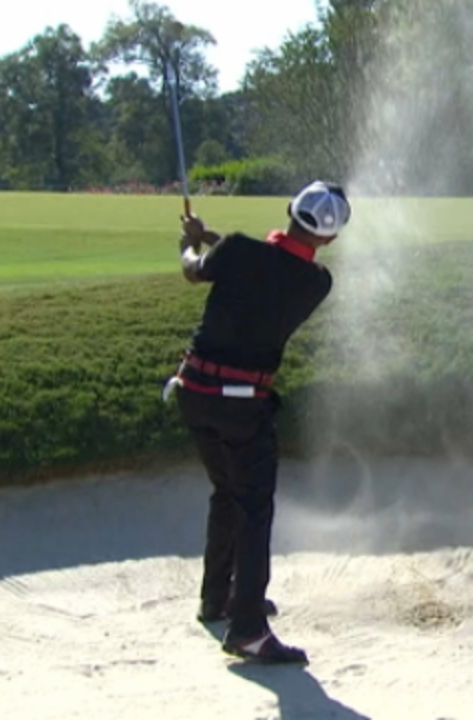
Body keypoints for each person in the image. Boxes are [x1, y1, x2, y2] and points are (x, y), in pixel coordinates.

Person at [164, 180, 351, 664]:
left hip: (193, 393)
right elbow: (269, 267)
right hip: (242, 404)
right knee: (253, 507)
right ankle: (246, 628)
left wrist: (192, 241)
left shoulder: (237, 251)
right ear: (329, 239)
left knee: (228, 494)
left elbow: (198, 270)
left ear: (290, 208)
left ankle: (217, 598)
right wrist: (212, 238)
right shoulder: (316, 283)